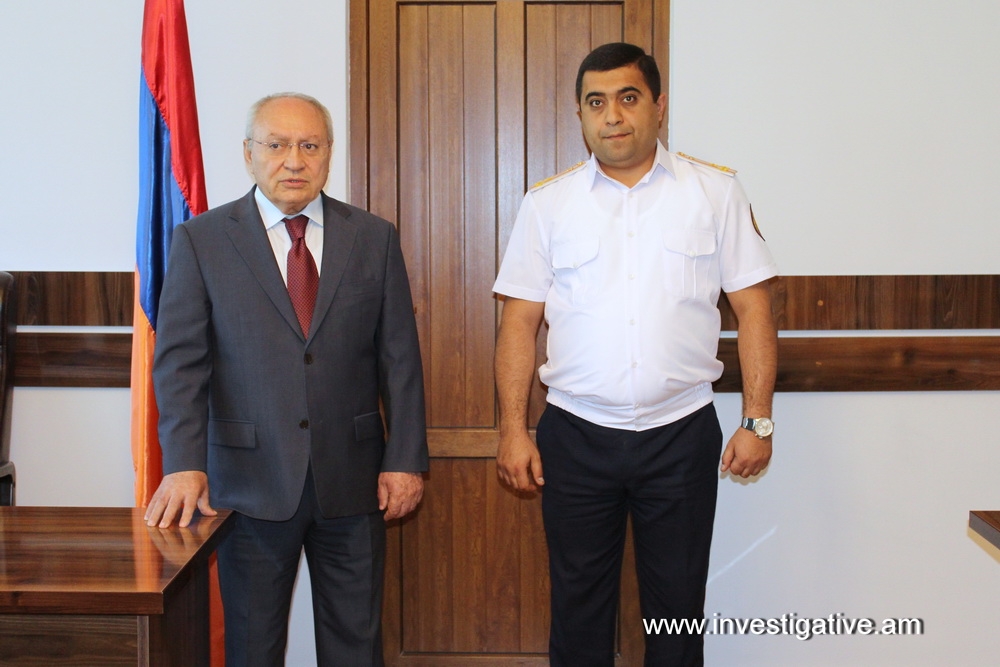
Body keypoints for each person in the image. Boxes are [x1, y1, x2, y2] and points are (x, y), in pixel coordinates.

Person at [493, 43, 778, 666]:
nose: (613, 116)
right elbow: (519, 322)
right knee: (578, 612)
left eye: (628, 98)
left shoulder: (715, 192)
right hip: (576, 435)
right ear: (580, 114)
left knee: (677, 614)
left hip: (680, 434)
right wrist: (513, 430)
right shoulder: (548, 204)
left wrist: (757, 420)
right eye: (596, 102)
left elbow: (754, 308)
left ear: (658, 105)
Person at [143, 92, 428, 666]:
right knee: (253, 647)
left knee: (356, 647)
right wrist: (184, 462)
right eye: (276, 145)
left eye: (309, 146)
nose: (294, 161)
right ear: (249, 153)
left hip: (353, 481)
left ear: (328, 154)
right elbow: (180, 365)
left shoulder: (373, 237)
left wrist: (405, 458)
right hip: (248, 484)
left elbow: (400, 359)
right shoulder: (202, 240)